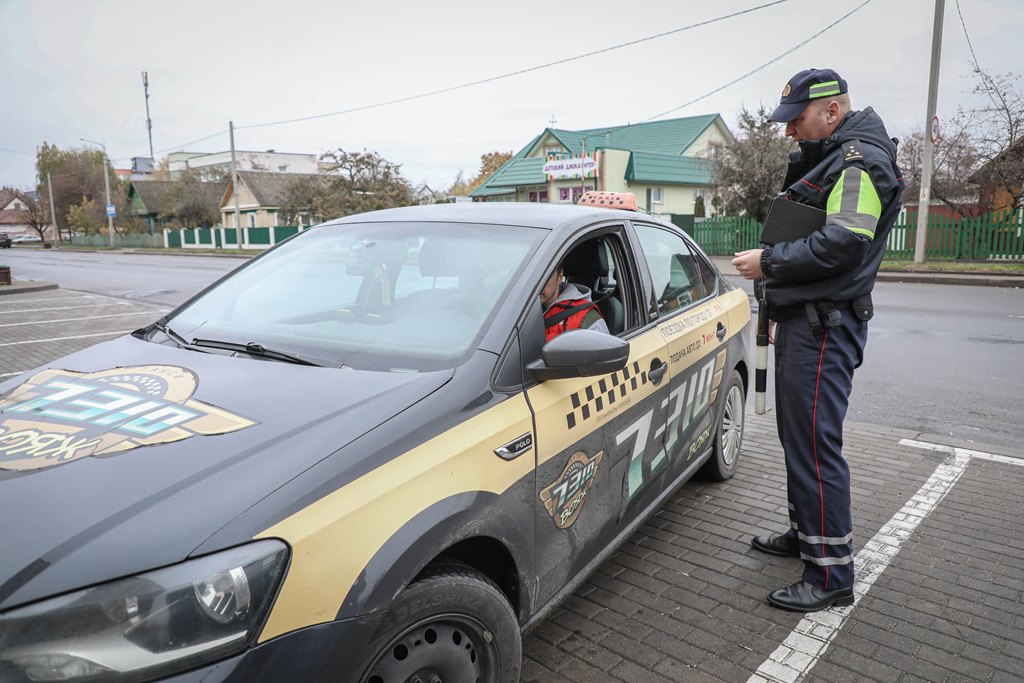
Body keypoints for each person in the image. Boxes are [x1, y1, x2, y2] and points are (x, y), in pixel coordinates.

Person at [731, 68, 904, 612]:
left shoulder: (859, 161)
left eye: (796, 120)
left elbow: (844, 243)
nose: (789, 133)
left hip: (825, 325)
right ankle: (807, 536)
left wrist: (769, 263)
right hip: (810, 322)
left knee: (814, 446)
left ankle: (830, 574)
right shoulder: (835, 155)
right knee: (798, 441)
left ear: (831, 112)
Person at [540, 263, 609, 341]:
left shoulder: (586, 317)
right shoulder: (526, 304)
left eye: (544, 276)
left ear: (559, 277)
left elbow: (605, 351)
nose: (538, 283)